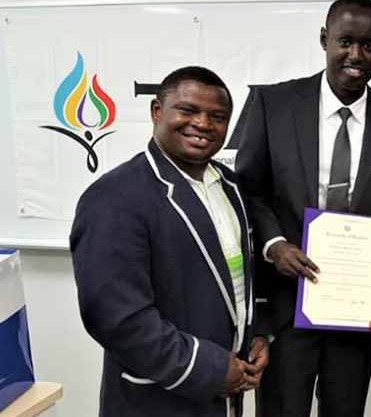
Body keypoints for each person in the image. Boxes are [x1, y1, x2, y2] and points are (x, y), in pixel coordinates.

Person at [235, 0, 371, 417]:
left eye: (369, 45)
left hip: (356, 319)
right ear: (324, 40)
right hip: (285, 307)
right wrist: (274, 244)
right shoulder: (273, 105)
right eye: (345, 41)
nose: (356, 55)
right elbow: (249, 190)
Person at [70, 66, 268, 417]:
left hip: (225, 394)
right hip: (158, 400)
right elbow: (117, 319)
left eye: (218, 116)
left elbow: (238, 278)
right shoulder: (113, 197)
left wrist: (257, 334)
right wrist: (208, 369)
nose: (204, 124)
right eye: (189, 110)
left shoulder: (230, 185)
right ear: (156, 111)